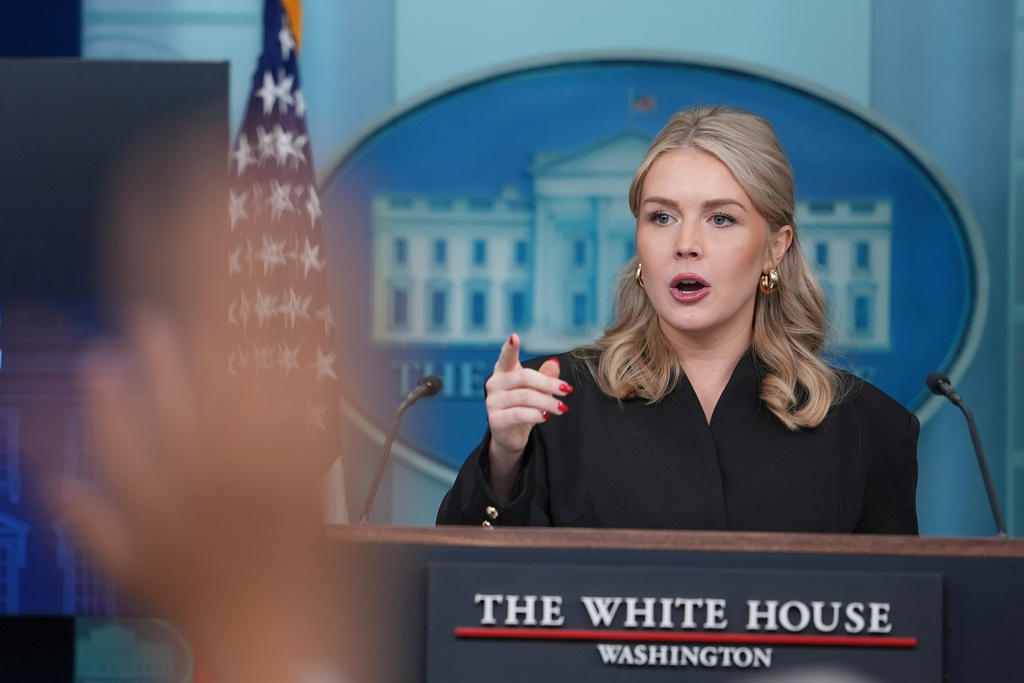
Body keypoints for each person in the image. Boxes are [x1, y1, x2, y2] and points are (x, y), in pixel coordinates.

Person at [437, 104, 919, 533]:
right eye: (662, 217)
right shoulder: (555, 401)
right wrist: (503, 459)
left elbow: (899, 616)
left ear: (776, 247)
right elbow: (470, 590)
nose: (685, 243)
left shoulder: (871, 429)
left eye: (721, 218)